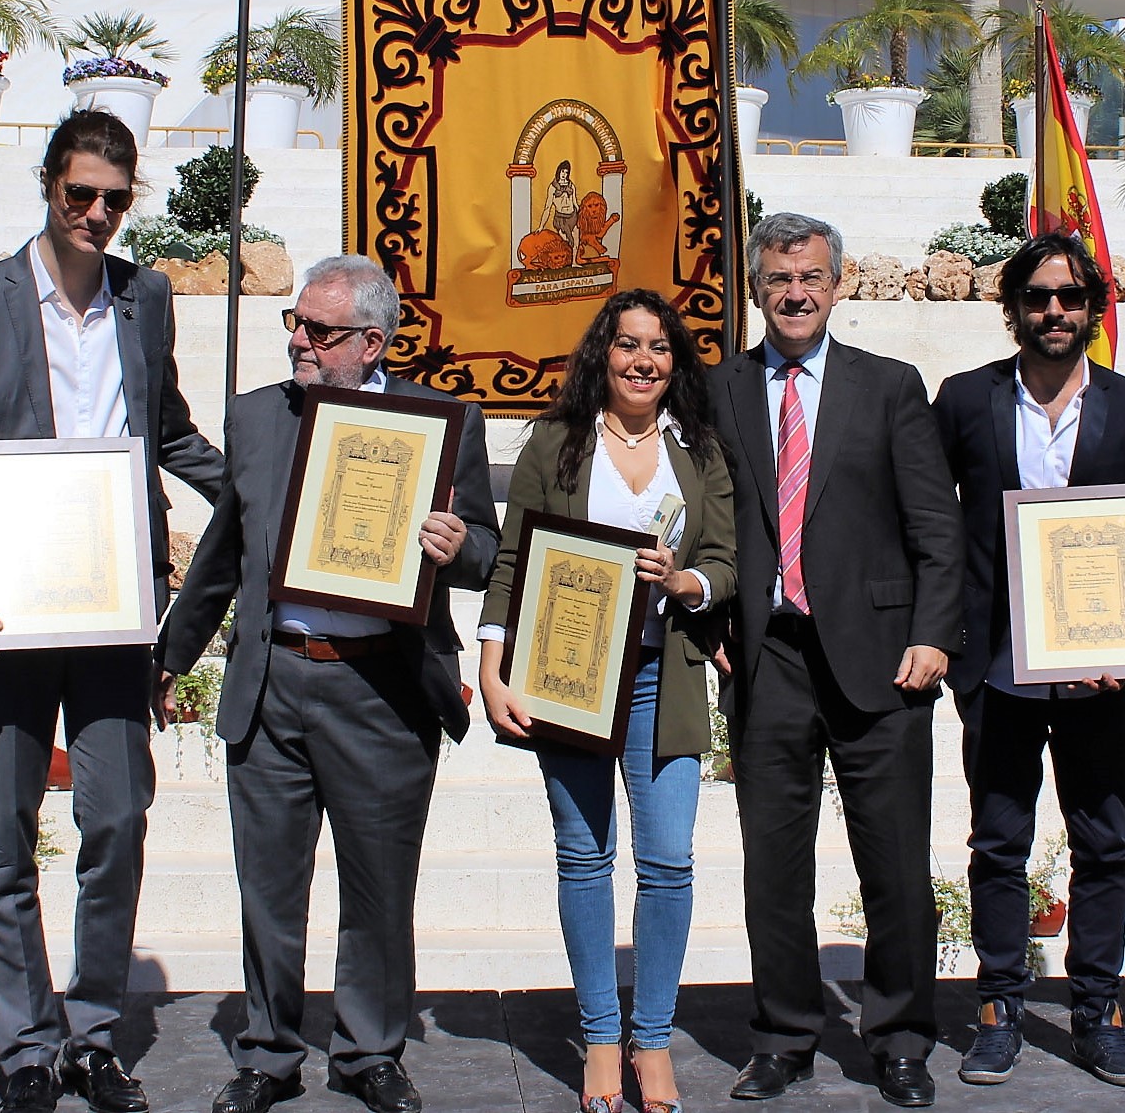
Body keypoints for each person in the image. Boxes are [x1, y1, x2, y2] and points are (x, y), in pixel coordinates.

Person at [0, 109, 225, 1113]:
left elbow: (169, 433)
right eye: (79, 194)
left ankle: (90, 1030)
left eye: (115, 201)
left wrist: (272, 486)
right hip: (6, 605)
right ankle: (23, 1039)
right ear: (48, 185)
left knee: (118, 817)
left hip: (117, 607)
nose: (95, 215)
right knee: (5, 829)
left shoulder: (146, 297)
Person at [155, 256, 497, 1113]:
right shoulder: (258, 418)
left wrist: (459, 549)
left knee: (379, 889)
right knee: (268, 888)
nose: (300, 342)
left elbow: (495, 551)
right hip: (274, 681)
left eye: (320, 331)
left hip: (380, 690)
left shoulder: (441, 421)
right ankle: (268, 1053)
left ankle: (368, 1051)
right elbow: (223, 551)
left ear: (373, 341)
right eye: (294, 324)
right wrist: (171, 655)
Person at [709, 213, 964, 1108]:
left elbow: (937, 525)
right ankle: (781, 1036)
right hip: (766, 657)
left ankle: (899, 1039)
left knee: (892, 863)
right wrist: (714, 635)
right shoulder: (719, 390)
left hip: (884, 661)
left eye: (811, 277)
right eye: (779, 279)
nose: (795, 293)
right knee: (771, 866)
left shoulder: (890, 387)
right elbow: (705, 529)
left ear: (837, 284)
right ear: (756, 289)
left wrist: (934, 633)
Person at [478, 288, 738, 1113]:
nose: (641, 362)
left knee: (666, 863)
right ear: (603, 353)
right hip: (570, 678)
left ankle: (650, 1041)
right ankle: (598, 1037)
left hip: (667, 677)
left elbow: (728, 559)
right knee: (584, 860)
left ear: (674, 363)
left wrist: (688, 580)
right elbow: (512, 561)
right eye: (627, 345)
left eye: (658, 349)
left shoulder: (697, 450)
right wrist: (491, 666)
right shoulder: (556, 442)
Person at [929, 234, 1125, 1091]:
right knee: (998, 843)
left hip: (1099, 668)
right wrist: (951, 648)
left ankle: (1097, 1010)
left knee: (1103, 842)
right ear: (1013, 308)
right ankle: (998, 1008)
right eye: (1036, 297)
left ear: (1092, 307)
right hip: (995, 666)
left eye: (1068, 297)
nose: (1053, 312)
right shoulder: (964, 400)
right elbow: (932, 524)